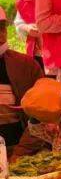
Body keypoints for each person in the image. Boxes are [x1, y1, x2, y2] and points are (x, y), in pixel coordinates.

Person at [0, 8, 44, 148]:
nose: (1, 35)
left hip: (22, 151)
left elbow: (42, 115)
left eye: (2, 28)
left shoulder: (26, 65)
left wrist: (21, 152)